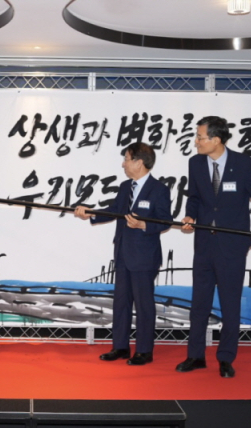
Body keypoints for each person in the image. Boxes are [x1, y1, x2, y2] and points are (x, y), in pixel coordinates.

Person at [176, 116, 251, 378]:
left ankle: (225, 357)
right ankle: (195, 356)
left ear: (216, 139)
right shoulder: (196, 163)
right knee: (199, 303)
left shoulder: (243, 164)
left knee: (230, 303)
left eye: (200, 137)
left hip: (232, 245)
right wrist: (190, 215)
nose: (196, 141)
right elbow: (194, 197)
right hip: (204, 243)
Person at [74, 142, 172, 365]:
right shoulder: (126, 187)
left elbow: (166, 220)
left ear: (139, 162)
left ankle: (144, 351)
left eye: (126, 159)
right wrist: (90, 213)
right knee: (121, 303)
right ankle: (120, 346)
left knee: (144, 305)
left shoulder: (159, 189)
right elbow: (115, 211)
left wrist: (144, 225)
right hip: (122, 254)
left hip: (144, 256)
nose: (123, 164)